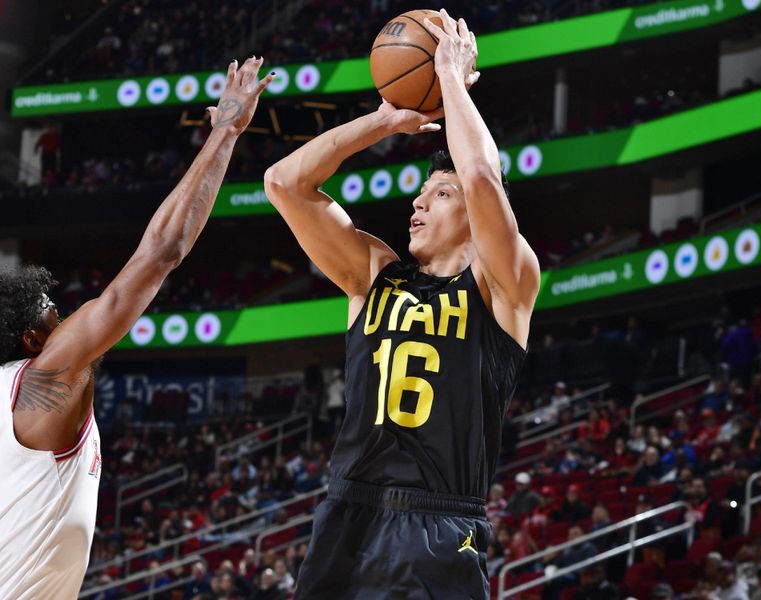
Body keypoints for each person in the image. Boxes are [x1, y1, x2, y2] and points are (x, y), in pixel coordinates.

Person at [263, 10, 539, 598]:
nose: (417, 204)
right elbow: (284, 184)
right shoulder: (374, 275)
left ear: (472, 216)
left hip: (439, 523)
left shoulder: (504, 287)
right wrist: (383, 122)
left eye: (440, 194)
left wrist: (450, 81)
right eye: (418, 194)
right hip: (348, 511)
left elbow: (484, 179)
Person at [0, 57, 272, 600]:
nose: (70, 314)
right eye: (55, 311)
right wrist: (224, 133)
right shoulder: (41, 380)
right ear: (33, 341)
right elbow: (159, 254)